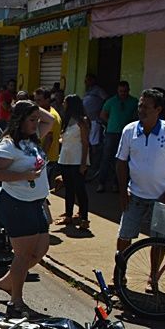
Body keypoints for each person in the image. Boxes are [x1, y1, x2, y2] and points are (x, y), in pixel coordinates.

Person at [0, 100, 55, 319]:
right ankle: (16, 300)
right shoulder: (9, 144)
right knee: (23, 255)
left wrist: (31, 104)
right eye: (31, 119)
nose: (37, 123)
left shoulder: (33, 140)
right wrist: (25, 176)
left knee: (41, 249)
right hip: (16, 204)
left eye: (37, 119)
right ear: (20, 121)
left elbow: (51, 120)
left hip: (36, 203)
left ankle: (9, 281)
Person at [114, 88, 165, 264]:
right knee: (124, 237)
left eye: (146, 107)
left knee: (160, 242)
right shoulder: (129, 130)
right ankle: (119, 274)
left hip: (163, 198)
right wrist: (123, 191)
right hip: (135, 196)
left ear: (158, 109)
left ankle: (153, 277)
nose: (141, 110)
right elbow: (121, 162)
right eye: (140, 106)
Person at [56, 94, 90, 230]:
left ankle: (84, 218)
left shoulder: (82, 121)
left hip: (77, 160)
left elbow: (85, 143)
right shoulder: (67, 120)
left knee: (80, 189)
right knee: (69, 188)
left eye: (65, 102)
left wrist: (83, 163)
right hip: (65, 158)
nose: (63, 104)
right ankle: (68, 215)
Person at [97, 80, 137, 193]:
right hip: (111, 133)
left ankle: (116, 183)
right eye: (121, 91)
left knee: (121, 159)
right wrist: (110, 122)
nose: (123, 93)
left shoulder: (134, 102)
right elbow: (102, 115)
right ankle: (101, 183)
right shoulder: (111, 101)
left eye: (125, 91)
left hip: (126, 135)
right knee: (106, 158)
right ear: (117, 91)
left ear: (128, 90)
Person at [33, 87, 63, 182]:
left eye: (39, 100)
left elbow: (49, 139)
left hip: (47, 158)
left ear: (47, 100)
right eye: (35, 100)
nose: (36, 103)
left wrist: (41, 159)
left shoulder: (50, 116)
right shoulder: (45, 113)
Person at [82, 73, 108, 179]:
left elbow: (106, 99)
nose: (86, 82)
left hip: (95, 121)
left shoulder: (98, 90)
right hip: (87, 120)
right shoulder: (88, 90)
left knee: (94, 145)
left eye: (88, 80)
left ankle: (94, 166)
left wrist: (101, 111)